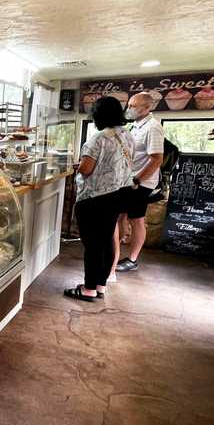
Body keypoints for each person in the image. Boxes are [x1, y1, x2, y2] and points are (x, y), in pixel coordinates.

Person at [65, 96, 134, 302]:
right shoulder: (127, 135)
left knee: (93, 245)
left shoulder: (98, 138)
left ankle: (88, 289)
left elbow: (87, 169)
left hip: (96, 198)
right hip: (118, 194)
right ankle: (100, 285)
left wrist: (77, 165)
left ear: (97, 115)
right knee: (106, 242)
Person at [115, 91, 165, 272]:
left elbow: (157, 159)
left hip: (140, 183)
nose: (129, 109)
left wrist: (137, 179)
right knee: (120, 215)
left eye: (133, 106)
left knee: (137, 219)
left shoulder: (153, 127)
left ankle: (132, 259)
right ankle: (115, 251)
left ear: (147, 107)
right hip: (127, 180)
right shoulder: (136, 126)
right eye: (128, 105)